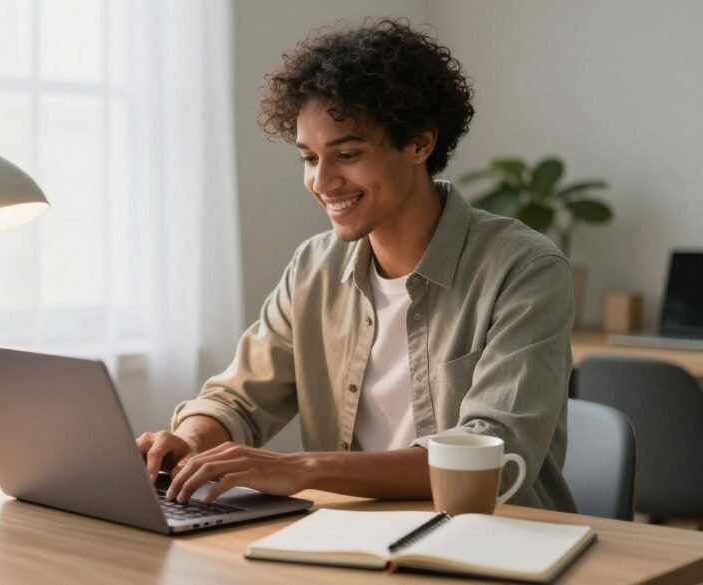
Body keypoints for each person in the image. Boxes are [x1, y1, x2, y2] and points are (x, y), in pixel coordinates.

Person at [137, 18, 577, 512]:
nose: (322, 181)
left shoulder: (524, 269)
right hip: (352, 542)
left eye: (346, 154)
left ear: (419, 144)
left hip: (498, 543)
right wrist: (192, 440)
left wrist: (299, 468)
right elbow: (238, 398)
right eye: (308, 158)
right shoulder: (314, 268)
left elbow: (494, 451)